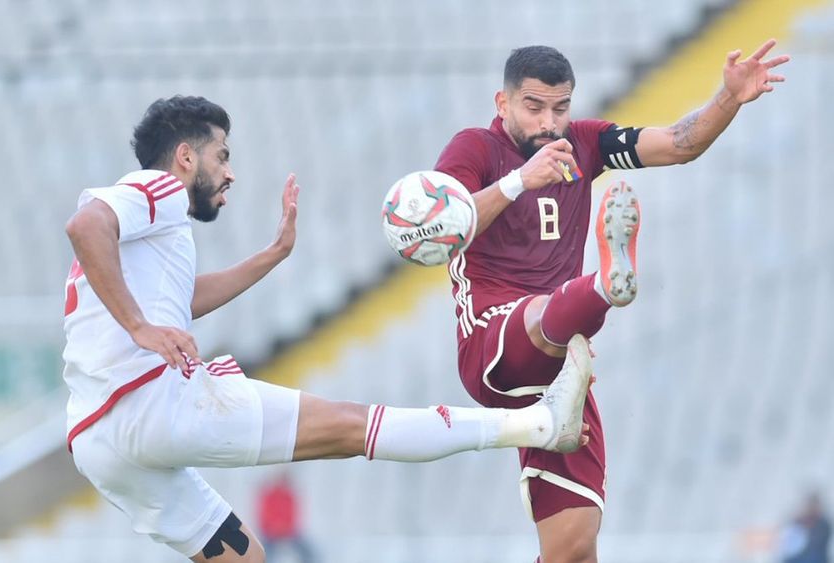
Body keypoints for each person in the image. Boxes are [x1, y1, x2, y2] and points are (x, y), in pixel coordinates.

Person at [62, 95, 596, 563]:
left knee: (241, 555)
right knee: (351, 426)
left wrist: (273, 254)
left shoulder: (155, 239)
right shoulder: (158, 188)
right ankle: (537, 425)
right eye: (221, 155)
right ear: (185, 156)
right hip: (149, 402)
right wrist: (139, 328)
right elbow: (86, 225)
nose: (229, 173)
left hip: (96, 439)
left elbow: (180, 301)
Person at [434, 40, 790, 562]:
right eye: (533, 107)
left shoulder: (585, 144)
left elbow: (678, 143)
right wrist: (517, 182)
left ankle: (597, 291)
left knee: (574, 547)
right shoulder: (474, 149)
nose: (548, 123)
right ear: (502, 103)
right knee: (539, 313)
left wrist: (728, 98)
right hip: (492, 343)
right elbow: (443, 229)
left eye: (560, 108)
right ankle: (602, 286)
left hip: (563, 377)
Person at [256, 471, 316, 563]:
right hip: (271, 534)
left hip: (289, 533)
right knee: (262, 552)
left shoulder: (289, 496)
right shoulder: (269, 495)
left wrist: (285, 529)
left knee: (309, 552)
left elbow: (294, 516)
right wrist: (275, 528)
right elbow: (264, 517)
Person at [781, 492, 832, 563]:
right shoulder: (797, 523)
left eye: (814, 506)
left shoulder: (824, 525)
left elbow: (816, 543)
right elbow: (789, 544)